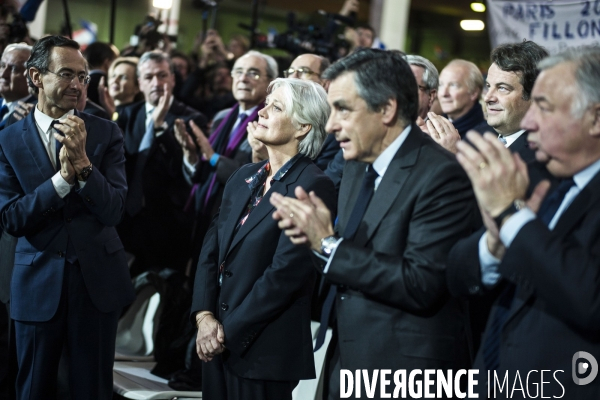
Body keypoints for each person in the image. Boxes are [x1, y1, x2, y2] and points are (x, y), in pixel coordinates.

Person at [270, 49, 480, 398]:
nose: (332, 124)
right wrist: (312, 241)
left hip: (407, 371)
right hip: (347, 357)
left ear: (387, 108)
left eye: (343, 109)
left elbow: (421, 283)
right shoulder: (356, 165)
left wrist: (328, 244)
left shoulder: (444, 175)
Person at [447, 45, 600, 399]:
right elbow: (457, 273)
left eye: (544, 107)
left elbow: (590, 297)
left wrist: (511, 220)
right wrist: (493, 247)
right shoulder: (536, 177)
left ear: (595, 119)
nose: (529, 121)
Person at [0, 35, 134, 400]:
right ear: (35, 76)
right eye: (66, 74)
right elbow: (12, 218)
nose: (76, 84)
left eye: (83, 76)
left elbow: (114, 210)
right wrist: (62, 181)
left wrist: (85, 167)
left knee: (92, 392)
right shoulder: (7, 140)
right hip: (35, 286)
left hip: (98, 287)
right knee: (32, 391)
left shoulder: (106, 132)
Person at [191, 78, 336, 400]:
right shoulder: (244, 176)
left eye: (276, 107)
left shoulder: (313, 185)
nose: (263, 111)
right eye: (267, 103)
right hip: (215, 342)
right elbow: (210, 252)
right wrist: (204, 317)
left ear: (302, 127)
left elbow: (284, 275)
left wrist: (224, 331)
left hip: (263, 351)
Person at [175, 50, 277, 267]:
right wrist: (192, 156)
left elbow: (254, 173)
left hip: (237, 219)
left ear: (270, 82)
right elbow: (201, 171)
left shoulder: (272, 122)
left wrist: (213, 158)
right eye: (238, 71)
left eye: (253, 73)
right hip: (204, 213)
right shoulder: (222, 116)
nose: (243, 78)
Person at [116, 50, 207, 275]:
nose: (156, 82)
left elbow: (189, 173)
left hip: (168, 228)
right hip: (126, 224)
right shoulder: (126, 114)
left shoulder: (192, 119)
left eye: (162, 75)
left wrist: (159, 129)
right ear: (139, 83)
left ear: (173, 79)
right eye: (148, 77)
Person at [438, 59, 491, 137]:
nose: (443, 93)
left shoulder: (486, 137)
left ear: (473, 93)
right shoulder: (430, 129)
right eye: (440, 85)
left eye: (453, 85)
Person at [0, 43, 34, 130]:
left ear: (31, 75)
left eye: (14, 68)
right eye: (3, 66)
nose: (3, 74)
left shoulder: (34, 114)